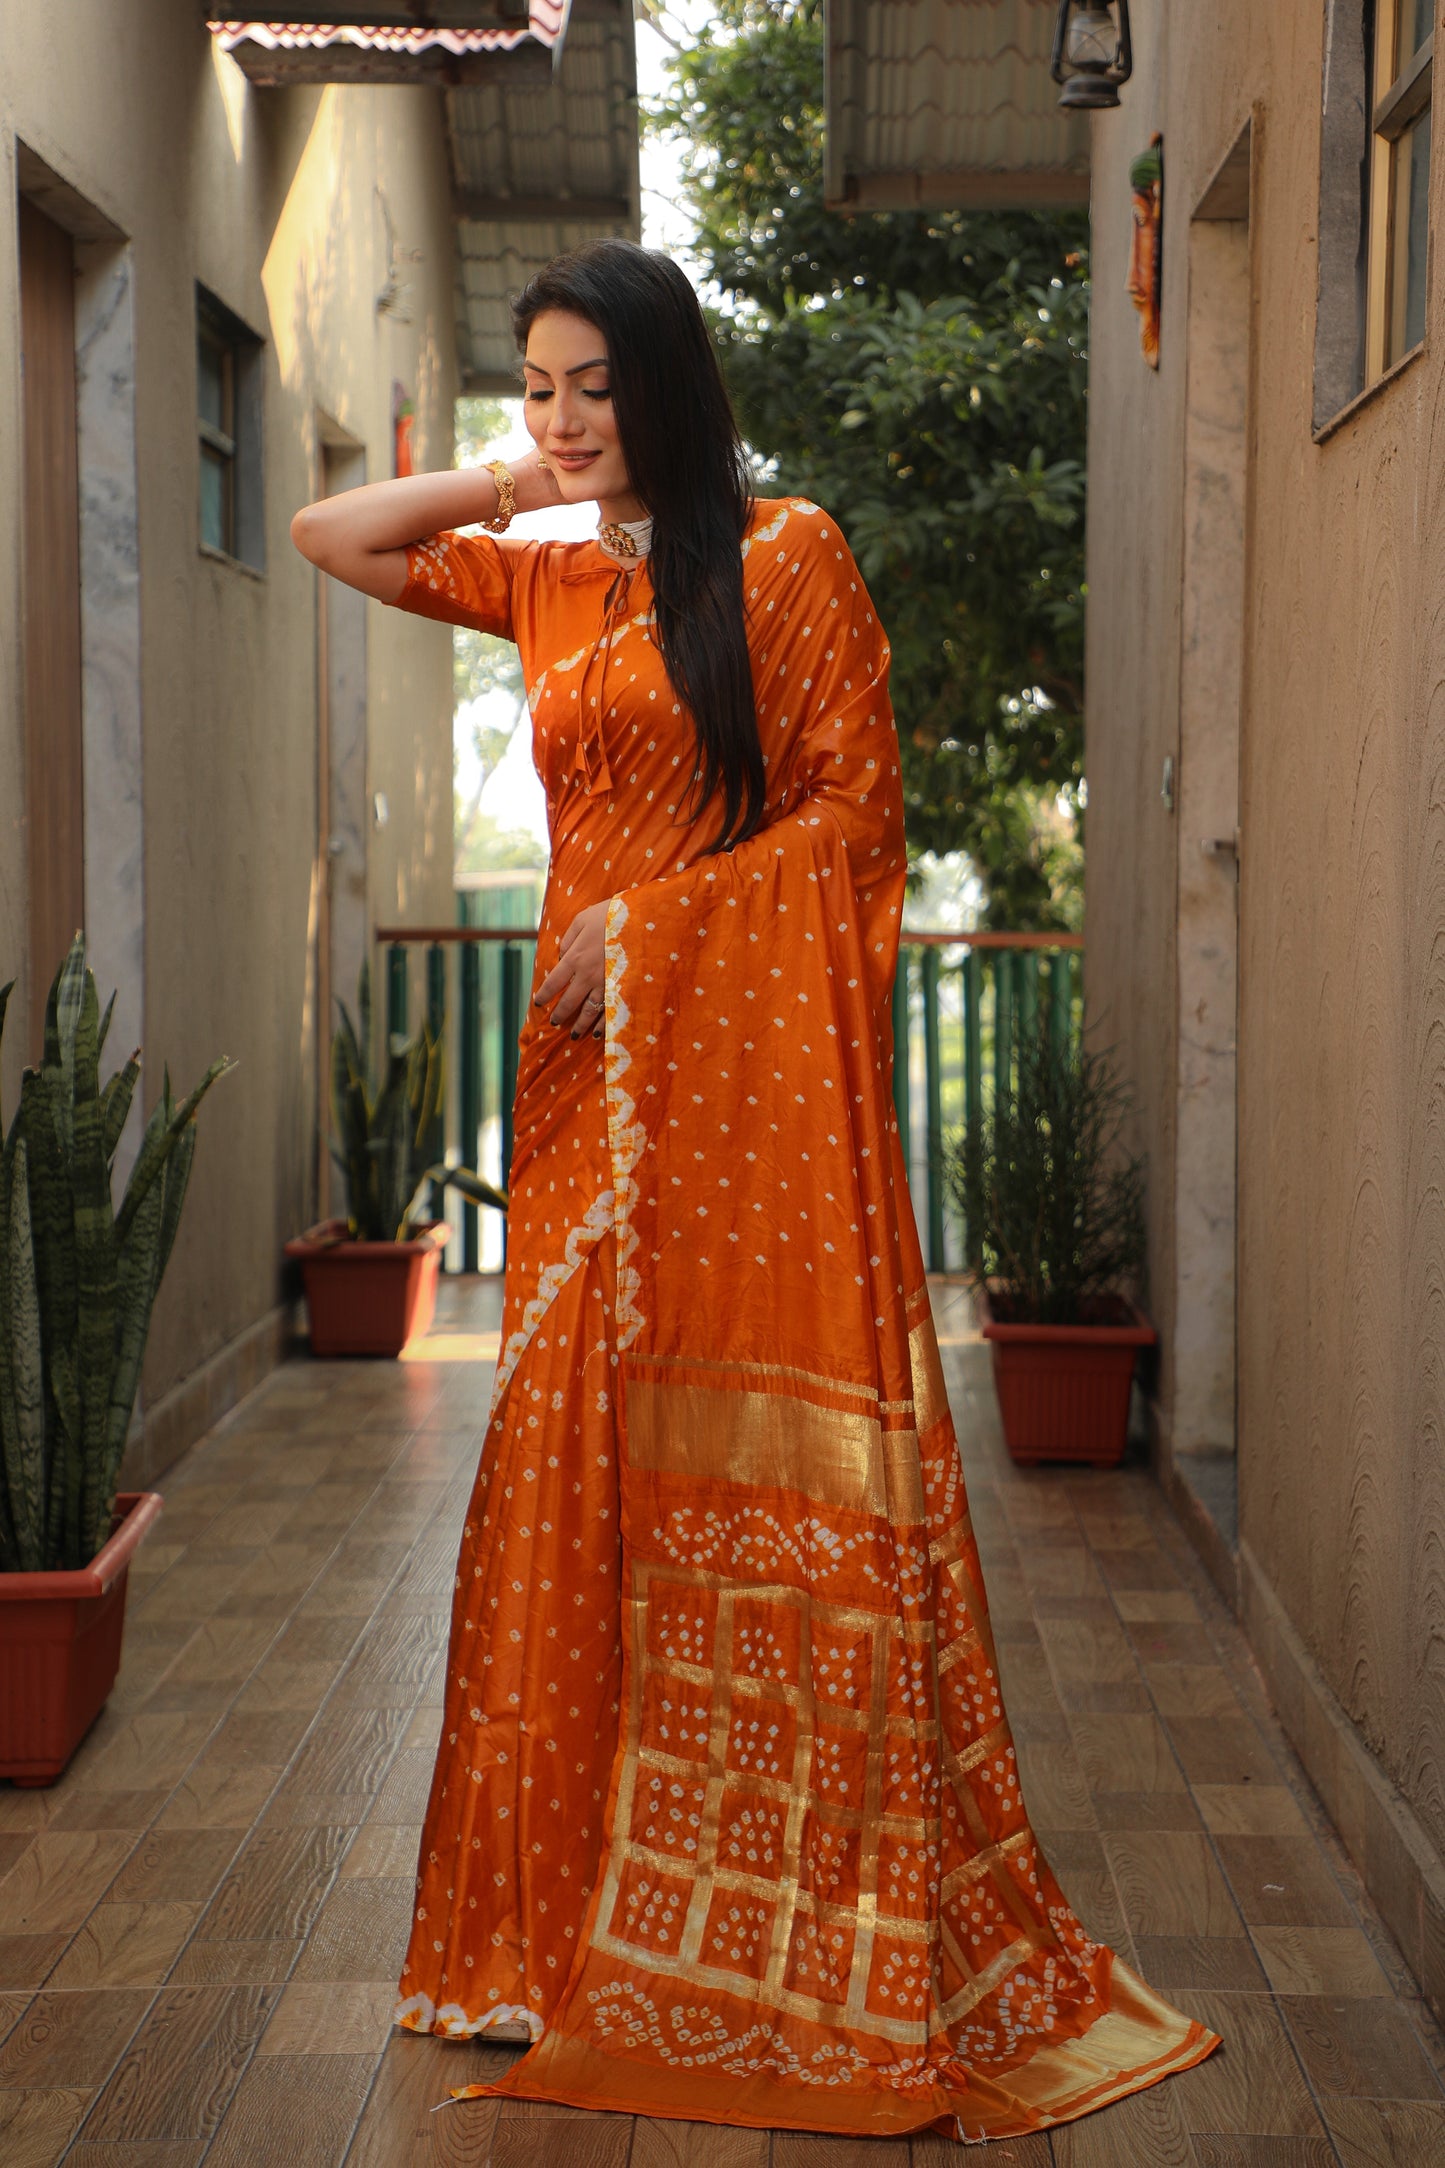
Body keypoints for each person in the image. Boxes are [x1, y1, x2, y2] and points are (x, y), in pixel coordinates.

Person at [290, 239, 1218, 2144]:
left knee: (708, 1466)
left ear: (667, 388)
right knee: (552, 1468)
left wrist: (652, 925)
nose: (558, 419)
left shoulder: (782, 559)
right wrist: (506, 479)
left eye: (590, 389)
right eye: (534, 386)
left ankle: (771, 1930)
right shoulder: (543, 572)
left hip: (719, 1085)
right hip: (577, 1093)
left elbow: (849, 822)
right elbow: (329, 533)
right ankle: (536, 1949)